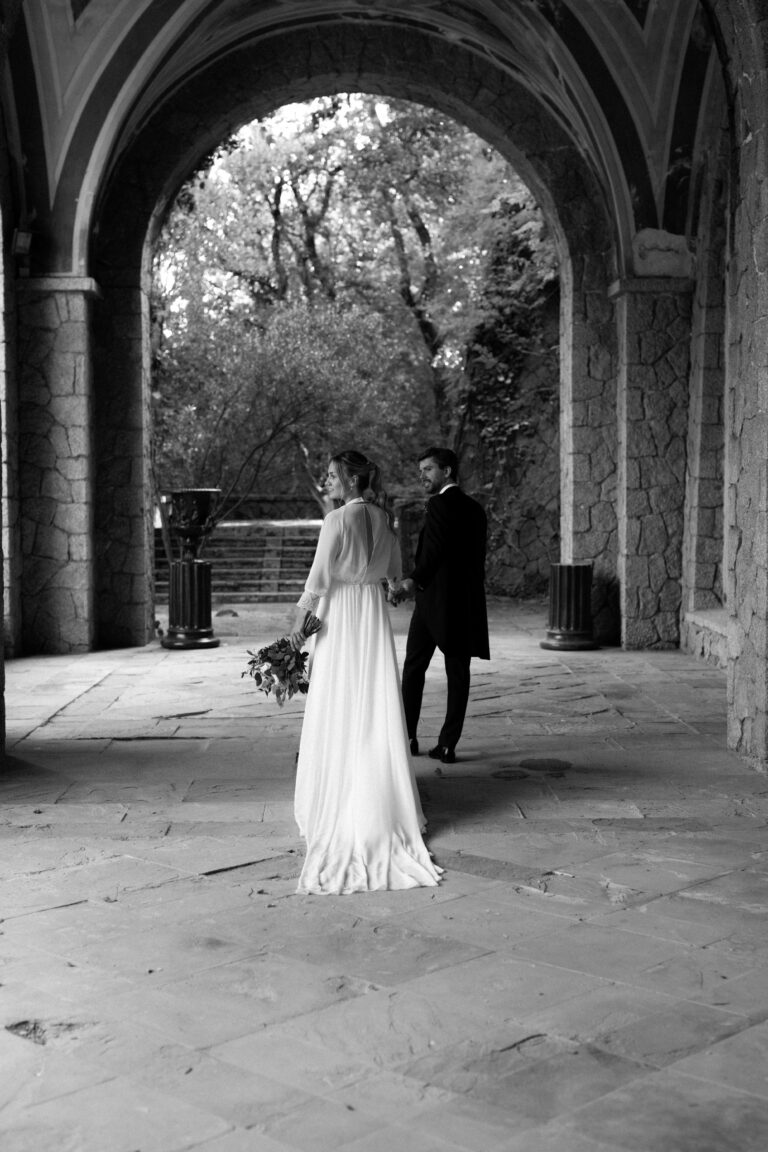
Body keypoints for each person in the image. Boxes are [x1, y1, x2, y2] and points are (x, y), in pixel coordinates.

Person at [289, 449, 442, 895]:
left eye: (333, 475)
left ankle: (338, 796)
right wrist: (389, 587)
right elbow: (394, 581)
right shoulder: (385, 520)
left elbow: (317, 581)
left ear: (353, 480)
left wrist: (297, 624)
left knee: (337, 699)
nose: (328, 482)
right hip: (372, 617)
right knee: (372, 701)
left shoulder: (337, 521)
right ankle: (380, 798)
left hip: (340, 615)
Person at [397, 447, 489, 764]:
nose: (422, 475)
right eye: (421, 469)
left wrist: (413, 580)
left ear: (447, 471)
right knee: (458, 673)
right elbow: (476, 561)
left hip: (432, 602)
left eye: (428, 469)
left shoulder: (438, 504)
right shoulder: (476, 509)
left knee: (414, 668)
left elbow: (433, 551)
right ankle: (448, 744)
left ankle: (407, 737)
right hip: (465, 603)